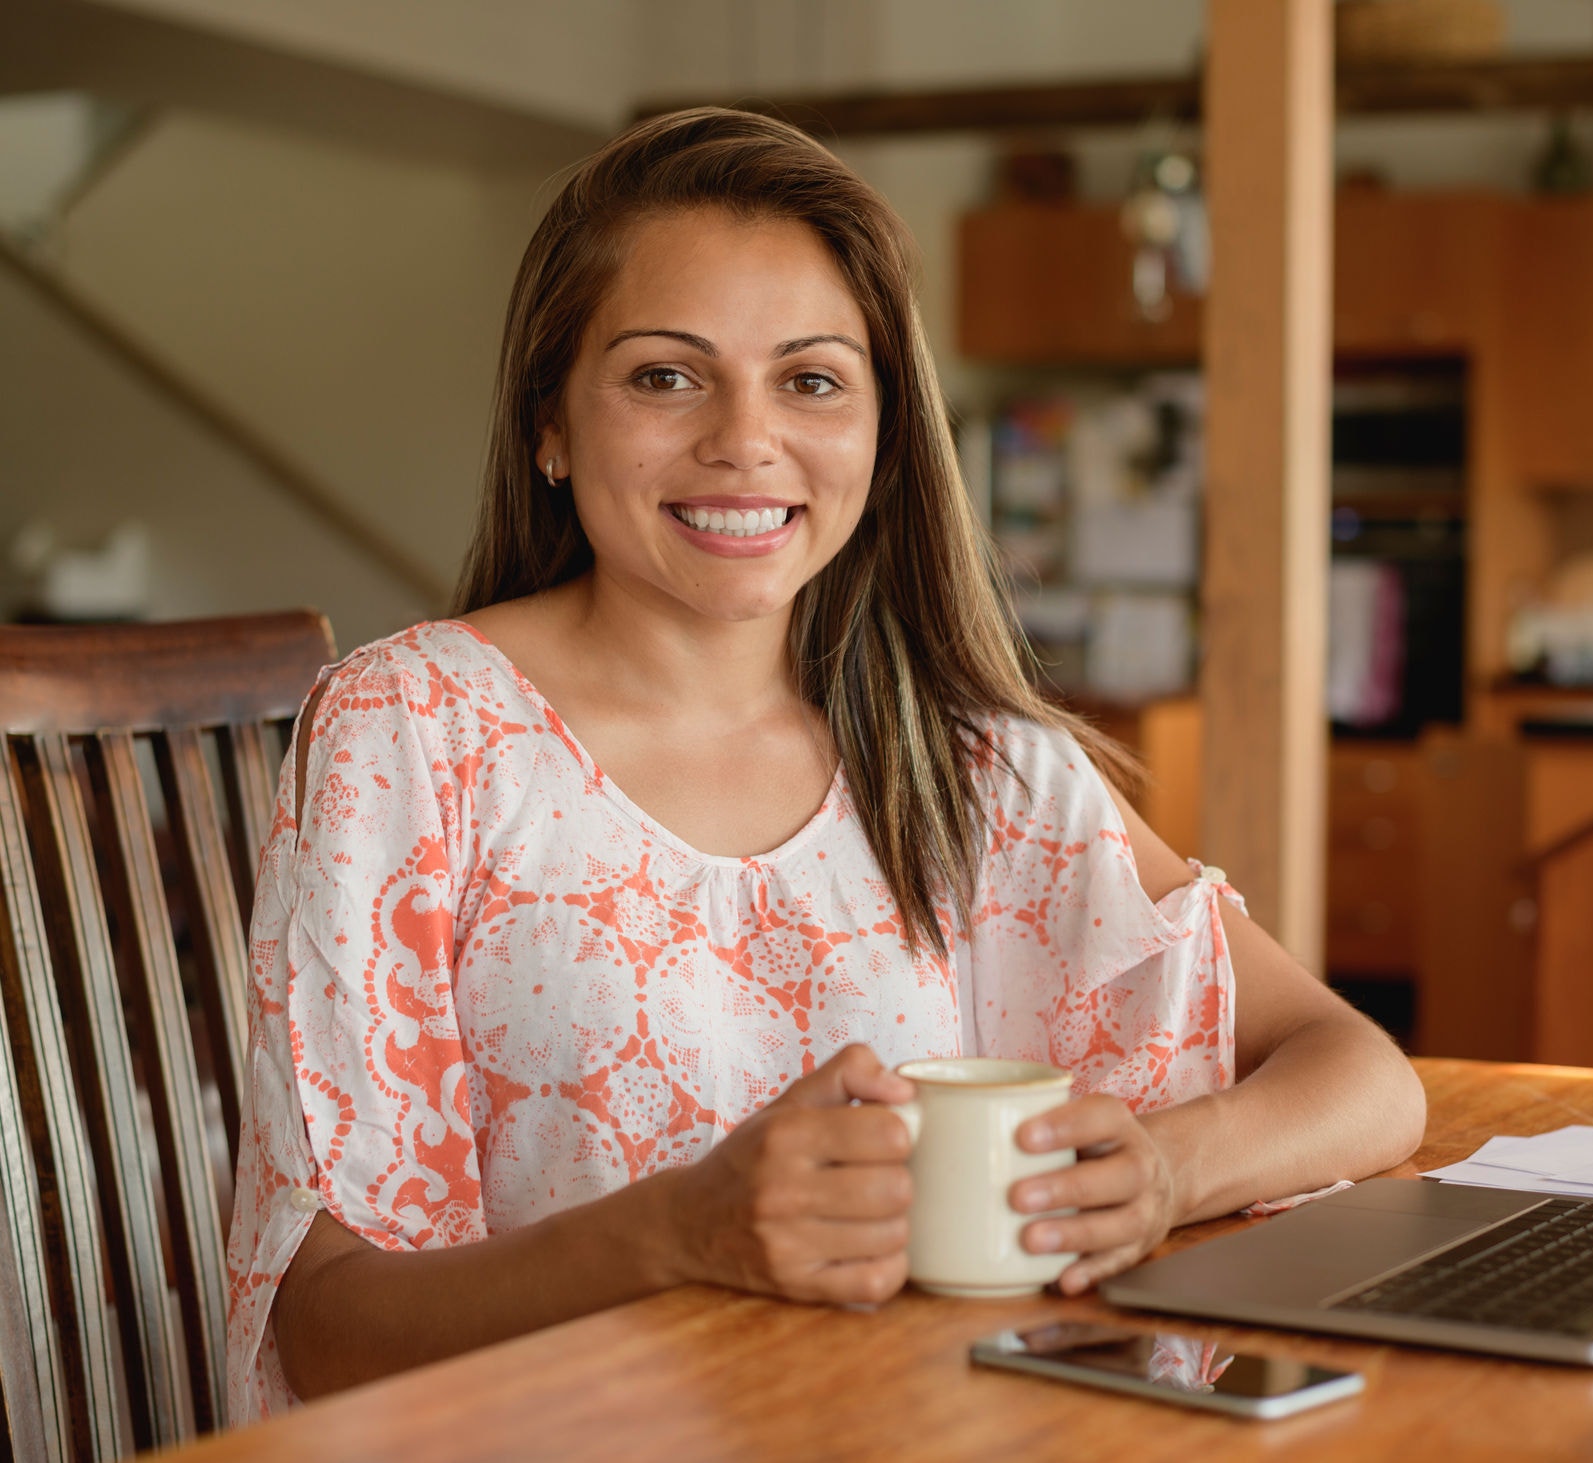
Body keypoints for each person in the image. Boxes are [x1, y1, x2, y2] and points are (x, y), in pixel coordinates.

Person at [224, 107, 1425, 1423]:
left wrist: (1160, 1166)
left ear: (882, 437)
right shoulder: (411, 732)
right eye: (665, 375)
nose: (746, 440)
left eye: (810, 380)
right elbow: (327, 1329)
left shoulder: (971, 767)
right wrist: (676, 1234)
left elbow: (1362, 1080)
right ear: (549, 426)